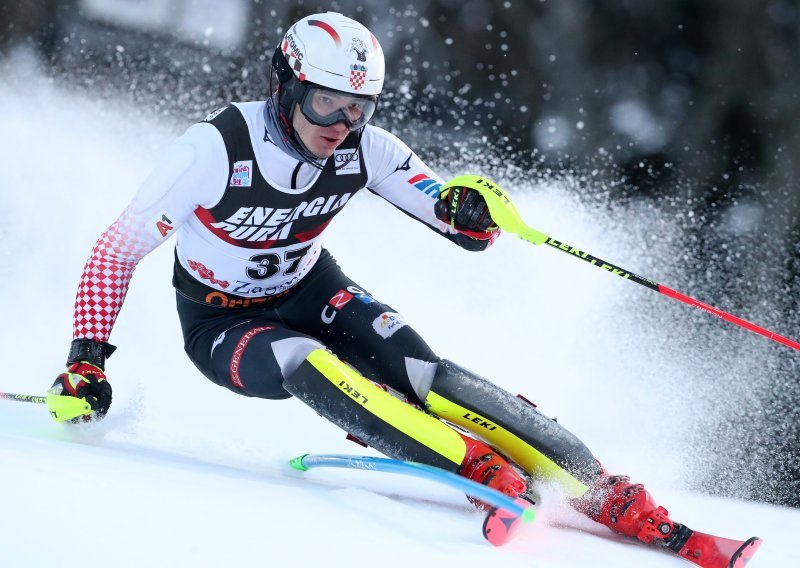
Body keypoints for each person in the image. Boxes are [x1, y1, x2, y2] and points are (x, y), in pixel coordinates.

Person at [49, 12, 685, 551]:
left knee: (423, 375)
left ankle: (607, 489)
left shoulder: (366, 147)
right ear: (287, 86)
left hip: (311, 289)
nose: (340, 122)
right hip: (222, 321)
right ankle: (477, 470)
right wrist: (87, 360)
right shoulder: (215, 148)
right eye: (327, 101)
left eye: (358, 107)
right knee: (307, 360)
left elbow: (453, 216)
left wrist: (471, 212)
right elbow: (115, 252)